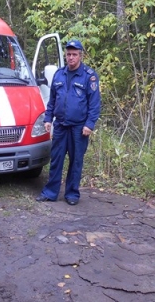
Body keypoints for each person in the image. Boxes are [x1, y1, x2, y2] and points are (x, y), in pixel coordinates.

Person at [36, 40, 101, 205]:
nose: (71, 58)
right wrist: (48, 118)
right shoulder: (59, 74)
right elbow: (52, 100)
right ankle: (50, 192)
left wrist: (89, 124)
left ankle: (72, 194)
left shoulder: (89, 76)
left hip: (79, 128)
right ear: (65, 55)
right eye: (68, 54)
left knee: (76, 160)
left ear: (80, 55)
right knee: (56, 159)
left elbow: (94, 104)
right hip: (60, 125)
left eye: (74, 54)